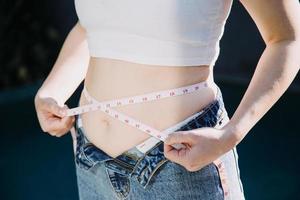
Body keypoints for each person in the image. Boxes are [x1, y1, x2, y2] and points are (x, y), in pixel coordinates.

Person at [34, 0, 300, 199]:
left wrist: (231, 133)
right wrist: (54, 89)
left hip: (177, 163)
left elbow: (289, 39)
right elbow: (90, 27)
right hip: (91, 162)